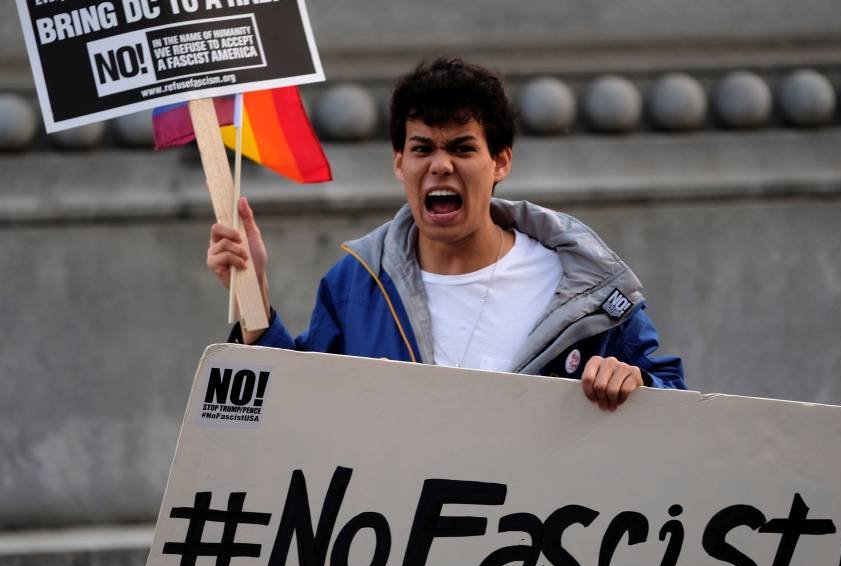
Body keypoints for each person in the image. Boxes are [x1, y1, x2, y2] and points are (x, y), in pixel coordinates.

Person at [207, 58, 684, 410]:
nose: (440, 165)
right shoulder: (356, 286)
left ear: (500, 161)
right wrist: (254, 299)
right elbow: (299, 408)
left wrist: (635, 385)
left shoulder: (587, 286)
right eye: (422, 149)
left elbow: (677, 402)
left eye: (461, 148)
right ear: (399, 163)